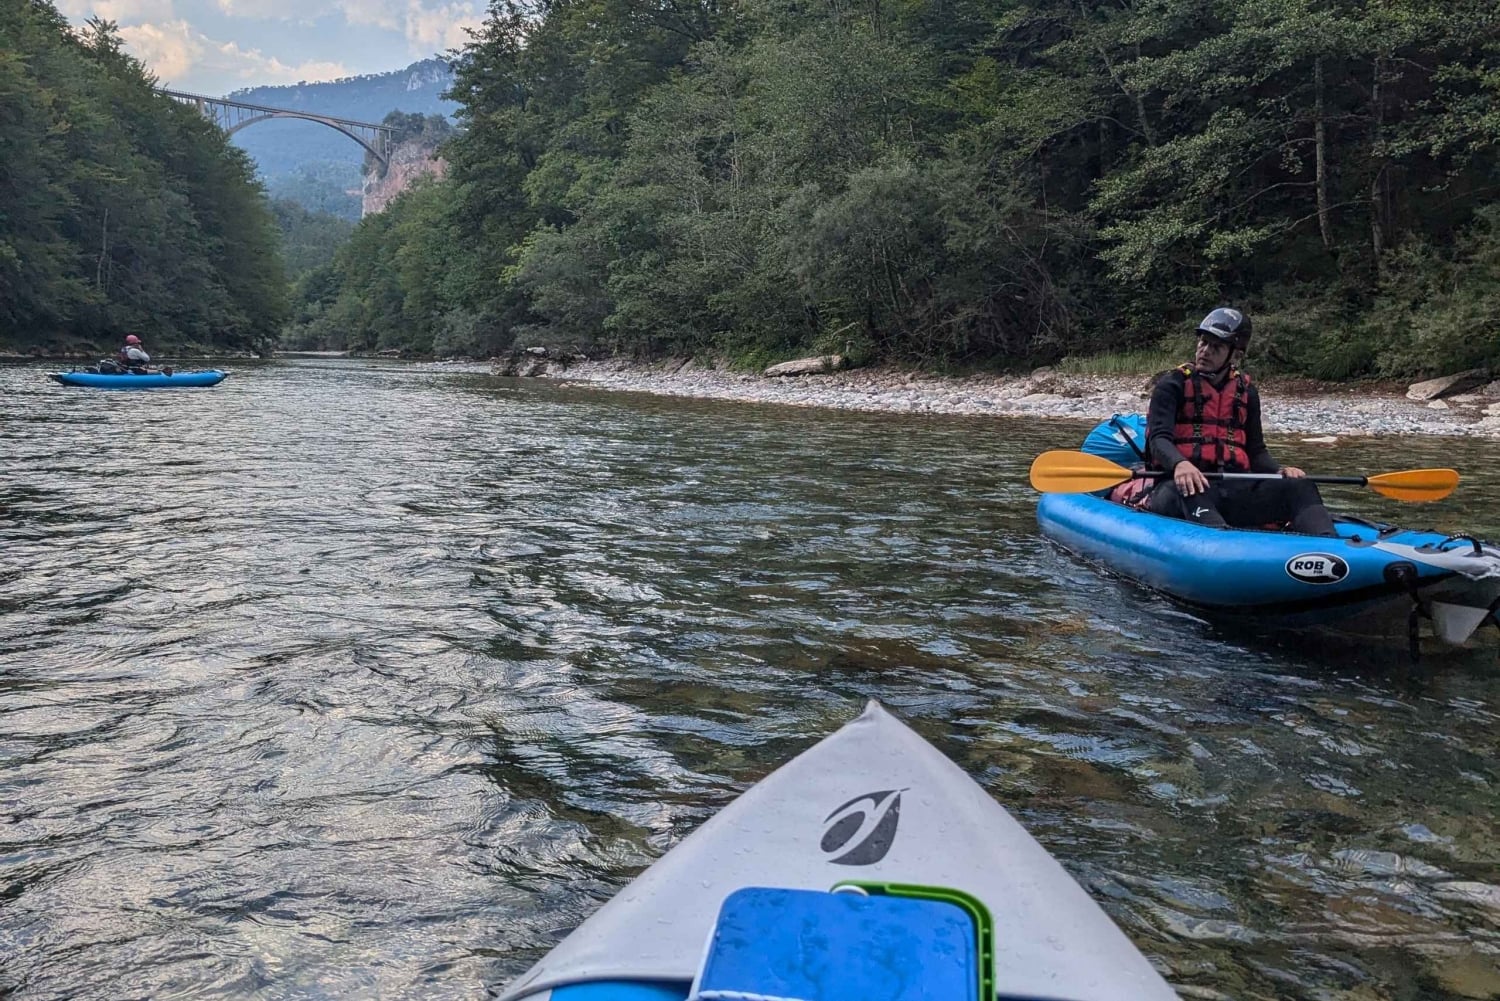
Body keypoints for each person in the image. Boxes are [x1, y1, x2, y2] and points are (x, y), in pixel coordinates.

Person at [1136, 308, 1337, 537]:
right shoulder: (1172, 384)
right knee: (1191, 487)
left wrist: (1279, 470)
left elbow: (1256, 451)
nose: (1205, 351)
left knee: (1300, 486)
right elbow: (1158, 440)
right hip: (1178, 487)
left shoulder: (1246, 392)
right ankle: (1223, 546)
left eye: (1216, 347)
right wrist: (1179, 464)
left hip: (1234, 488)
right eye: (1203, 342)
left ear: (1235, 355)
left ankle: (1330, 547)